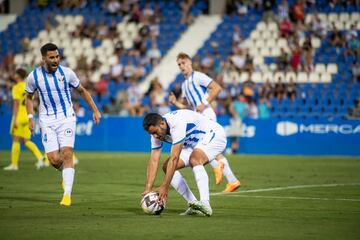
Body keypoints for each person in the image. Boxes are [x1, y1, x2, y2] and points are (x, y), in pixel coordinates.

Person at [25, 43, 101, 206]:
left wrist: (95, 110)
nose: (55, 60)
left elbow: (82, 91)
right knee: (53, 159)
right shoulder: (34, 77)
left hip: (67, 118)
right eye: (51, 57)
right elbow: (28, 96)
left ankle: (67, 193)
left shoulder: (67, 73)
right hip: (46, 120)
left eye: (57, 56)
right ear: (43, 58)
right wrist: (30, 117)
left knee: (67, 153)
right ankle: (66, 172)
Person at [168, 52, 240, 193]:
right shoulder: (184, 85)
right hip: (197, 117)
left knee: (202, 148)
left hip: (206, 114)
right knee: (201, 147)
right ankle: (232, 180)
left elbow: (217, 88)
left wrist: (204, 103)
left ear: (190, 62)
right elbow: (188, 107)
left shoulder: (198, 76)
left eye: (183, 63)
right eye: (179, 64)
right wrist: (175, 102)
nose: (182, 66)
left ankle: (217, 166)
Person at [142, 109, 228, 216]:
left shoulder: (176, 123)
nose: (155, 136)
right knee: (166, 167)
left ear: (162, 124)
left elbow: (174, 158)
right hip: (193, 144)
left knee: (195, 159)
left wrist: (165, 186)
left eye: (155, 132)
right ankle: (195, 205)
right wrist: (148, 188)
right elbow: (154, 160)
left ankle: (205, 203)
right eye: (151, 134)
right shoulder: (157, 131)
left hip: (214, 135)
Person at [3, 68, 47, 171]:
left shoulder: (16, 87)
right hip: (28, 115)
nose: (14, 75)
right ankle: (40, 157)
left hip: (19, 116)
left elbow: (16, 104)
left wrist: (14, 119)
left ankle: (14, 165)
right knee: (26, 140)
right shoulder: (27, 86)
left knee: (16, 139)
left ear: (18, 76)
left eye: (15, 74)